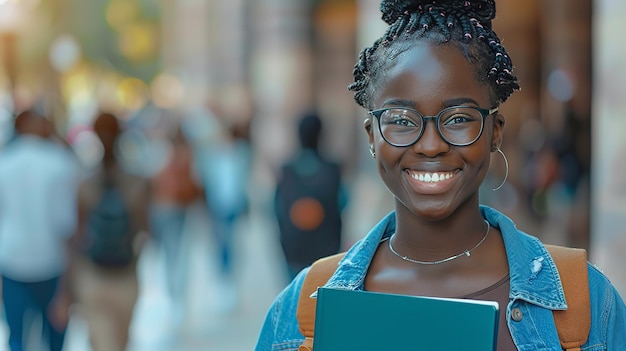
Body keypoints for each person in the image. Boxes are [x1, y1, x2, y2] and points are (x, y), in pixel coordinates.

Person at [255, 0, 626, 350]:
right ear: (372, 136)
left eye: (459, 118)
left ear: (495, 131)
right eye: (401, 120)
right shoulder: (302, 311)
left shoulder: (586, 303)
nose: (430, 145)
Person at [0, 110, 82, 351]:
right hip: (50, 262)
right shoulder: (59, 162)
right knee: (54, 337)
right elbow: (67, 227)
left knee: (17, 338)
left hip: (12, 261)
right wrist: (68, 285)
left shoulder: (4, 163)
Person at [70, 112, 151, 351]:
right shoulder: (135, 183)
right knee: (118, 343)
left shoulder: (85, 184)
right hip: (124, 277)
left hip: (94, 277)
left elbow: (78, 235)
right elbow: (146, 230)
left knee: (103, 343)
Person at [273, 111, 347, 281]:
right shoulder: (333, 170)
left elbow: (276, 210)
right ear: (321, 135)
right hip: (326, 250)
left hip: (294, 249)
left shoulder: (286, 171)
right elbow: (343, 203)